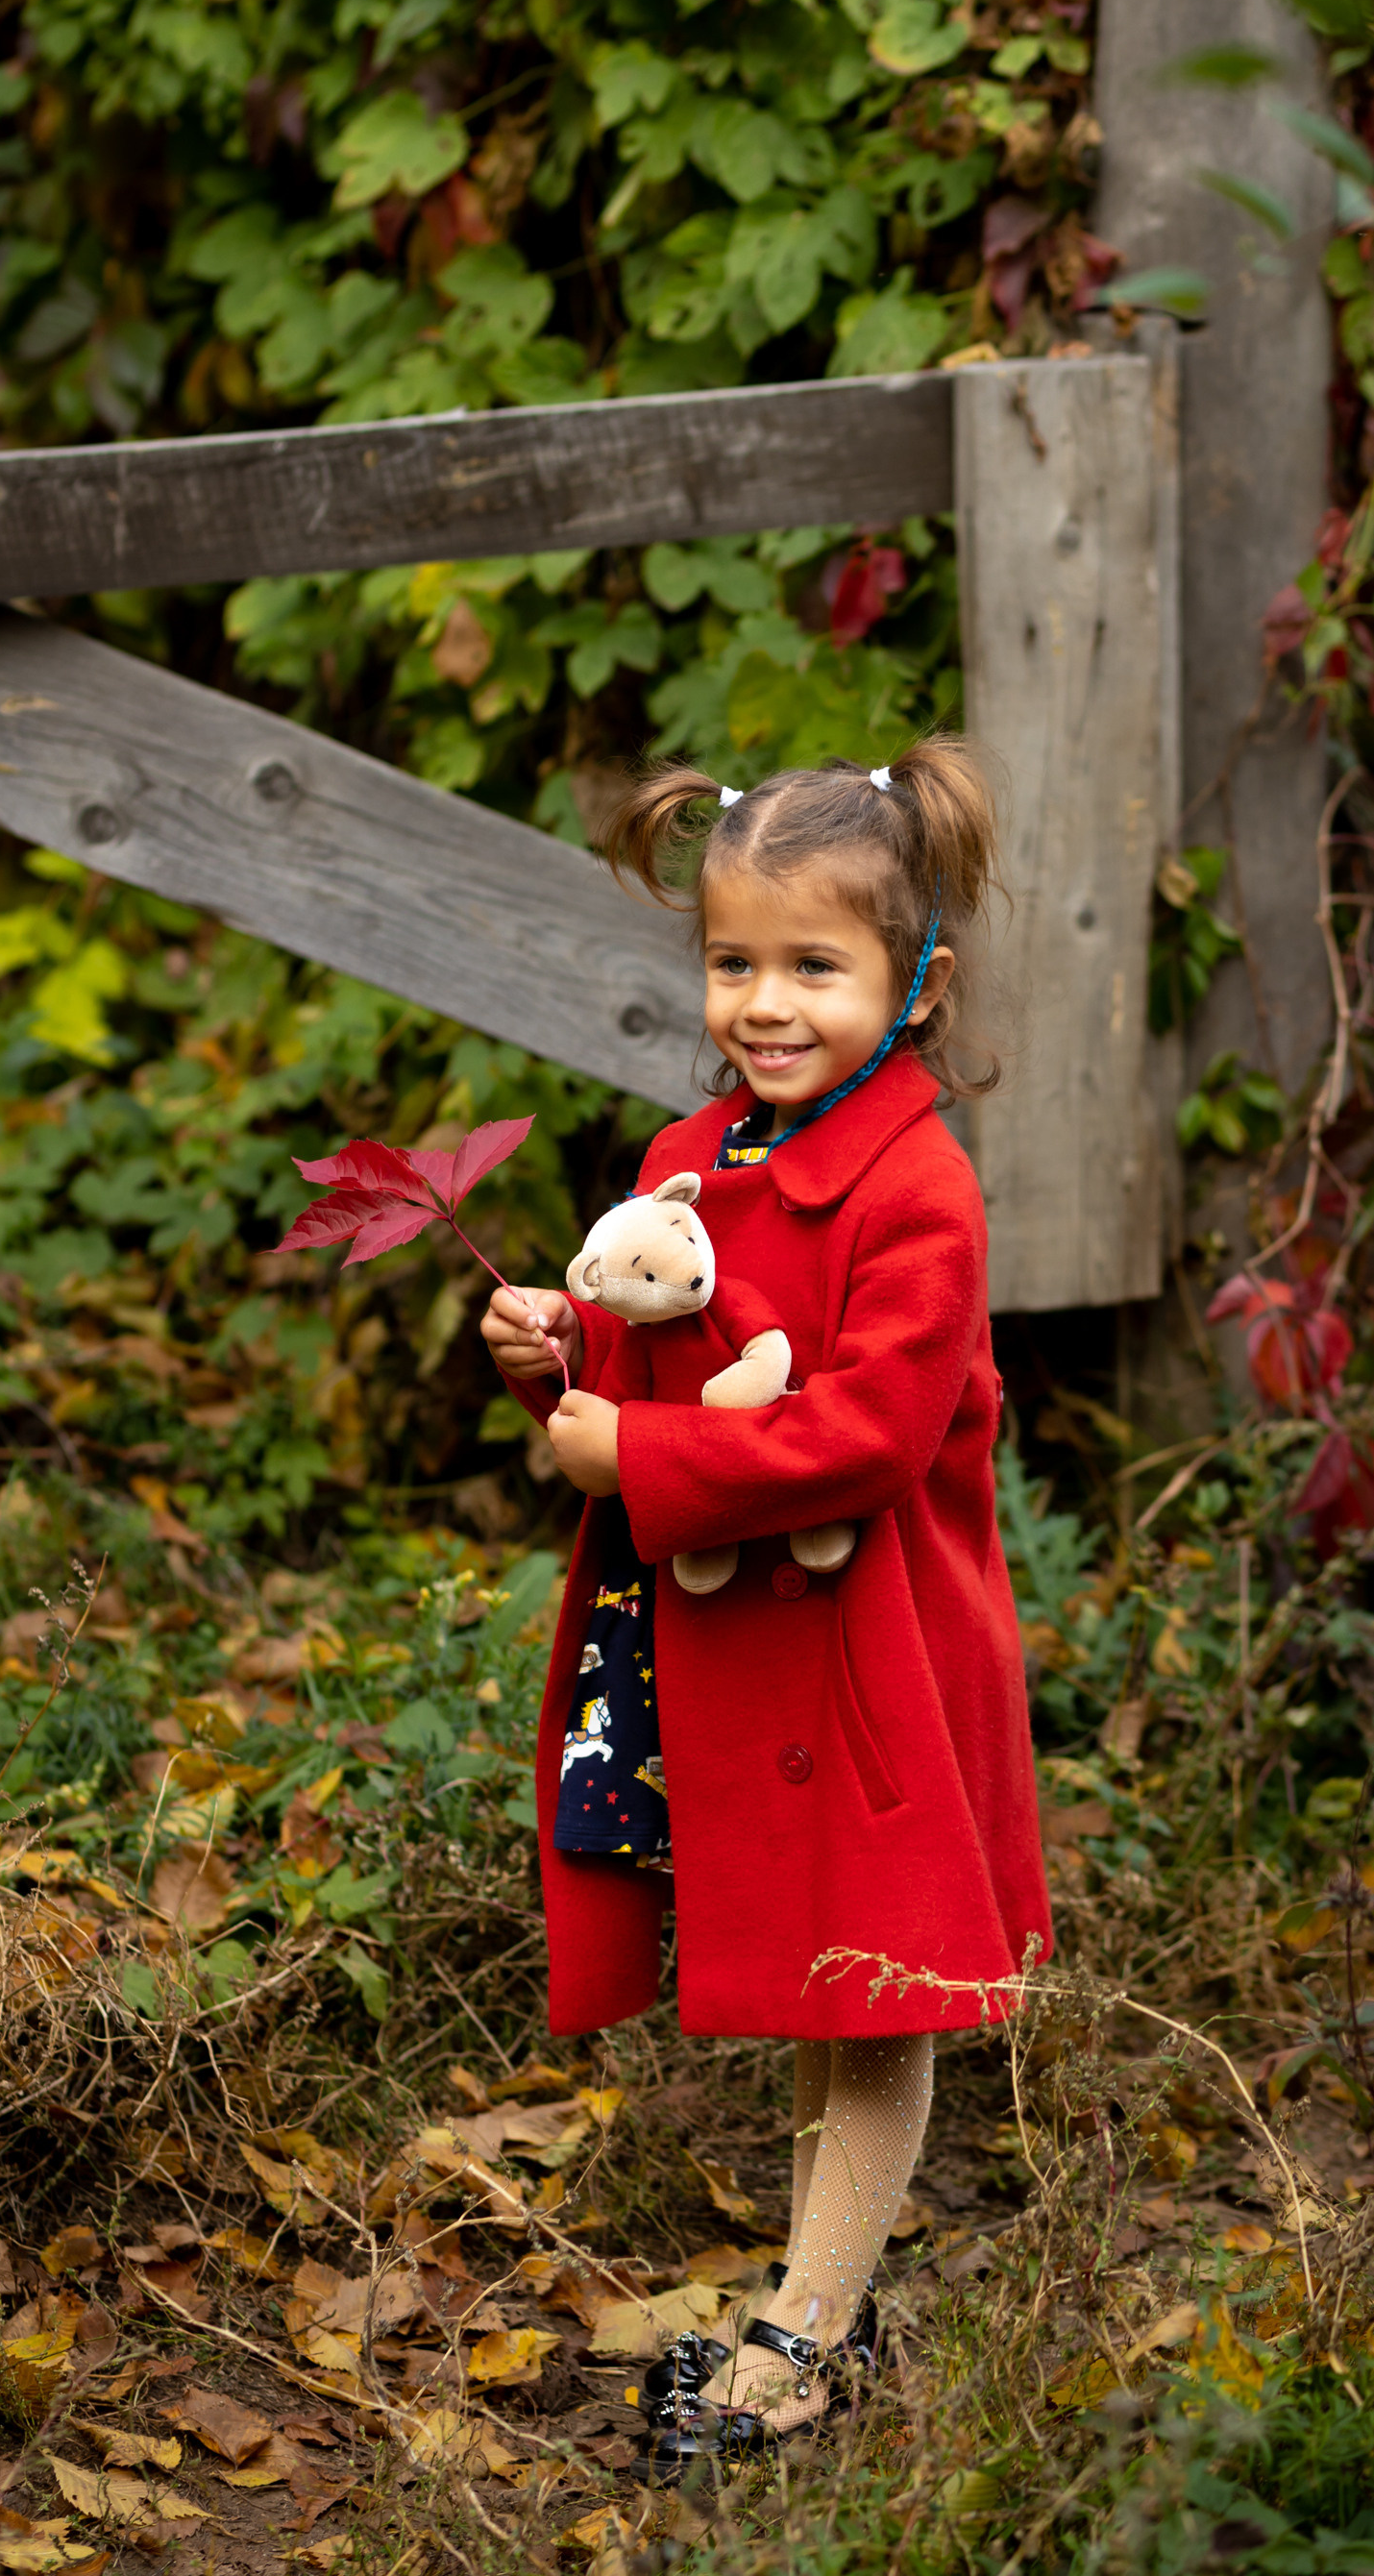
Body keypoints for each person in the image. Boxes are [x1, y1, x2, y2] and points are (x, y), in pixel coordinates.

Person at [481, 738, 1050, 2473]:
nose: (767, 1002)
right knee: (810, 1964)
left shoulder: (918, 1185)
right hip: (742, 1647)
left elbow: (870, 1432)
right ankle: (829, 2285)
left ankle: (805, 2333)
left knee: (869, 1977)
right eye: (736, 962)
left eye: (817, 966)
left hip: (871, 1652)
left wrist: (627, 1450)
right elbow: (673, 1352)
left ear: (915, 984)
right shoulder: (689, 1151)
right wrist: (563, 1355)